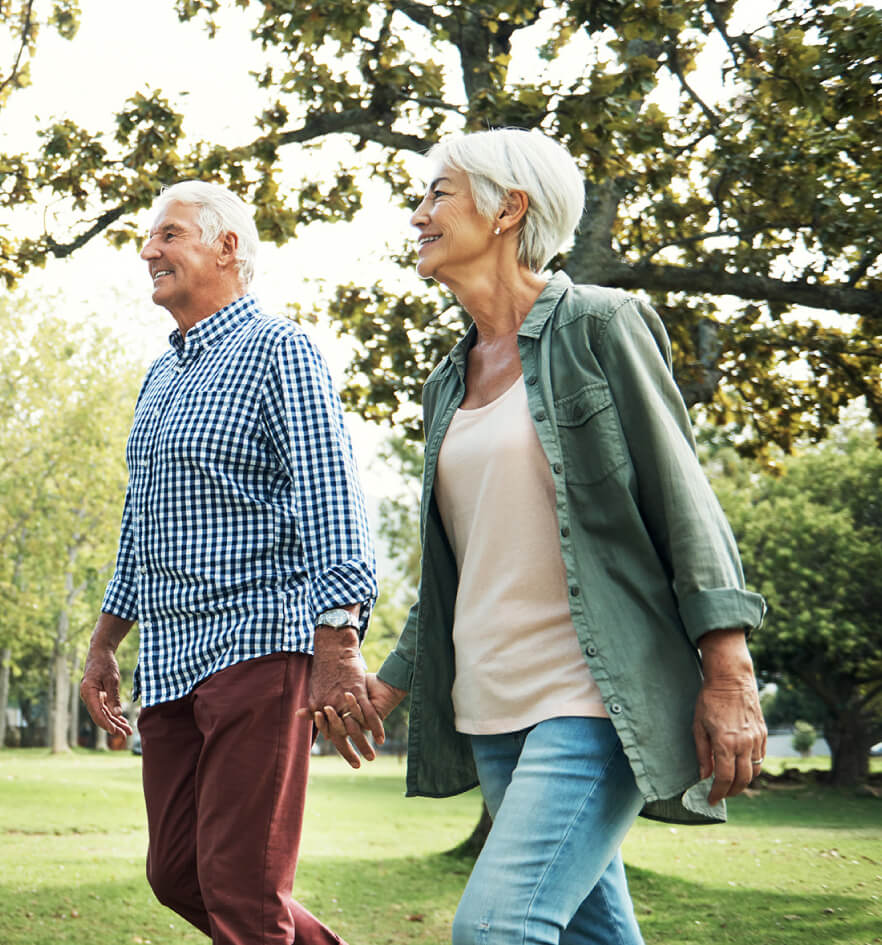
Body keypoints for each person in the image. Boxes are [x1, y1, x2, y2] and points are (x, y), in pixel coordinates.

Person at [313, 129, 767, 944]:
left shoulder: (603, 325)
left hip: (590, 698)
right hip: (492, 706)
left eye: (438, 193)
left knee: (494, 929)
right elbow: (462, 568)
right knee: (597, 935)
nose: (418, 213)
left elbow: (684, 502)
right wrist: (390, 683)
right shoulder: (448, 381)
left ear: (507, 209)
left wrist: (728, 672)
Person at [80, 180, 377, 945]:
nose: (149, 250)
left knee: (243, 888)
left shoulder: (282, 351)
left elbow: (332, 498)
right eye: (151, 238)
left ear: (226, 246)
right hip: (172, 660)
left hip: (258, 646)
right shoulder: (162, 376)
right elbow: (138, 522)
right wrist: (106, 639)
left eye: (168, 234)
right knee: (179, 872)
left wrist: (338, 640)